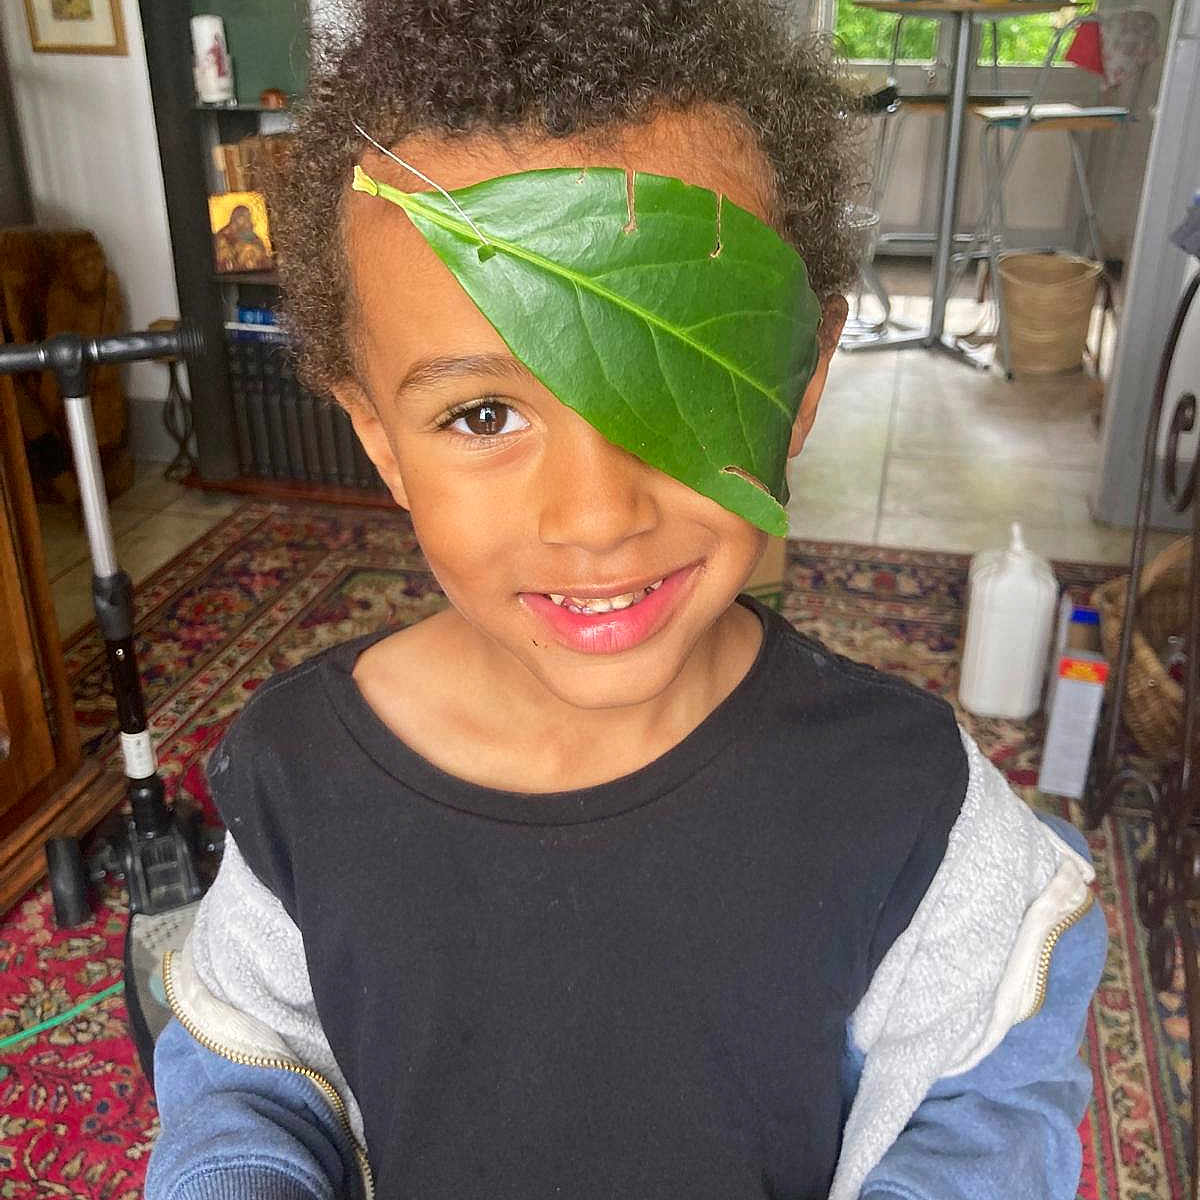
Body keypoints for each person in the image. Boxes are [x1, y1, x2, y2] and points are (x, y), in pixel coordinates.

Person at [145, 2, 1107, 1198]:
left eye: (677, 382)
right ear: (380, 440)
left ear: (798, 386)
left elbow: (990, 1111)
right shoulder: (297, 781)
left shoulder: (906, 805)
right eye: (483, 415)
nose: (597, 518)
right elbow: (251, 1065)